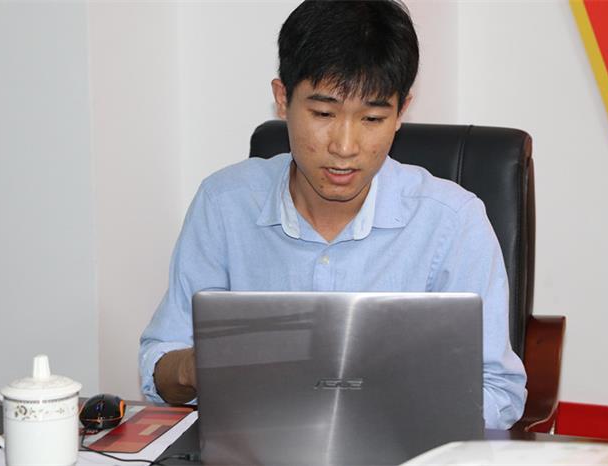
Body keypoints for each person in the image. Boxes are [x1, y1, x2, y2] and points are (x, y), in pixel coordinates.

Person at [139, 0, 526, 430]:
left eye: (372, 118)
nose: (345, 146)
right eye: (323, 113)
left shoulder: (453, 222)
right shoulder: (224, 204)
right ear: (282, 98)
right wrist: (199, 366)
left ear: (401, 112)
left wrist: (396, 411)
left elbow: (498, 391)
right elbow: (159, 364)